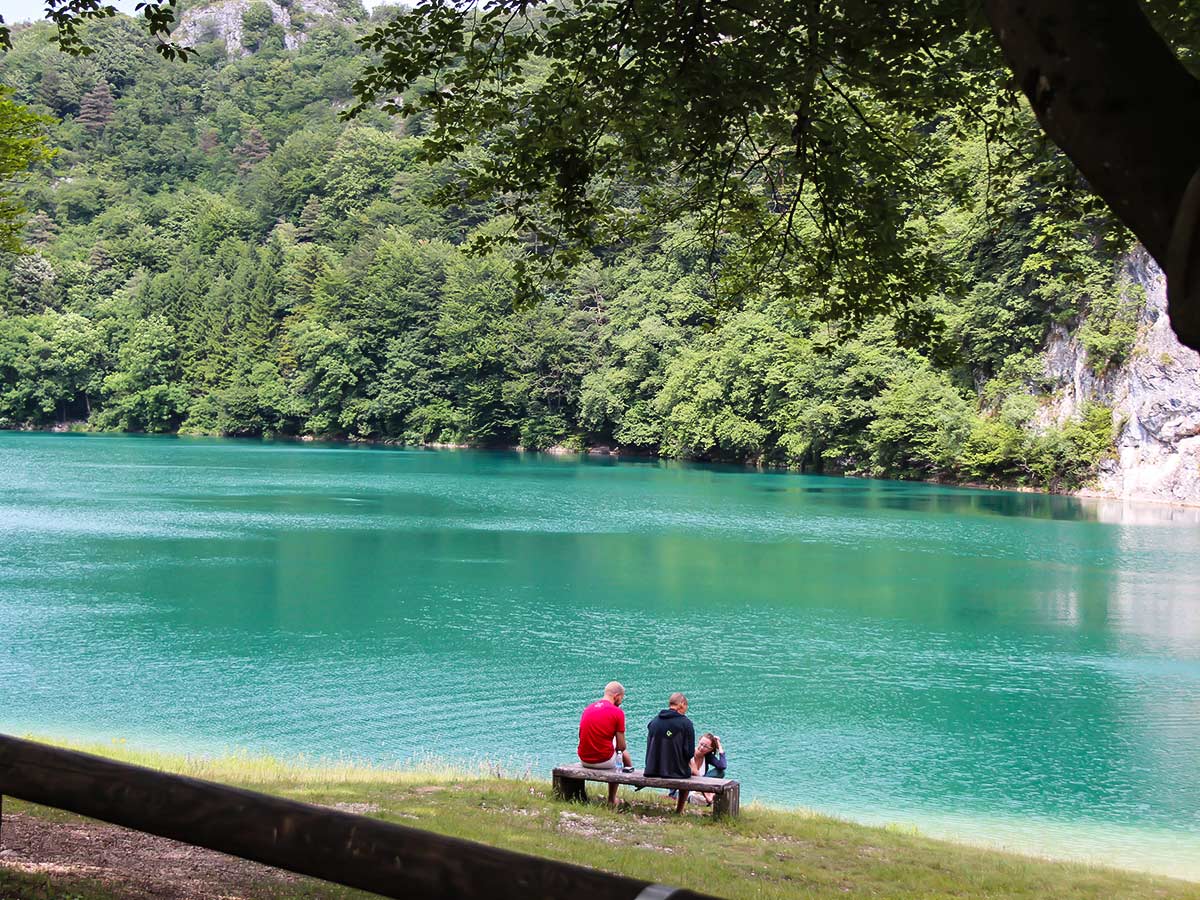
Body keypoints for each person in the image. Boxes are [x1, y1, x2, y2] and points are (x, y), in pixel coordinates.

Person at [577, 681, 634, 806]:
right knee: (620, 752)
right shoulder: (618, 713)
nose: (621, 701)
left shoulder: (588, 708)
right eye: (622, 698)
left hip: (584, 759)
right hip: (604, 762)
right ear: (617, 696)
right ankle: (612, 799)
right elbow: (621, 746)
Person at [643, 691, 695, 813]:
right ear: (681, 704)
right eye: (686, 706)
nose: (686, 710)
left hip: (652, 770)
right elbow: (689, 753)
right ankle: (679, 809)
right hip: (677, 772)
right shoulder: (686, 723)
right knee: (688, 776)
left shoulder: (654, 721)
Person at [690, 732, 728, 806]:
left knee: (720, 772)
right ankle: (706, 796)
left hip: (701, 785)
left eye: (705, 747)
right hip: (687, 786)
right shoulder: (689, 753)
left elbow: (722, 766)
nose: (701, 748)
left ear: (710, 749)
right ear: (699, 740)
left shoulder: (707, 756)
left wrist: (719, 745)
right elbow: (695, 774)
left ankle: (705, 796)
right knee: (693, 797)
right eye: (701, 744)